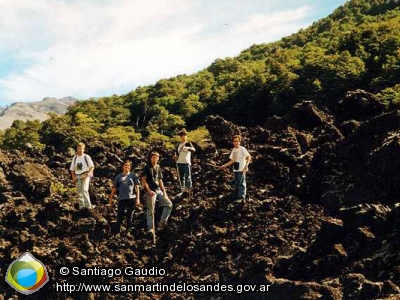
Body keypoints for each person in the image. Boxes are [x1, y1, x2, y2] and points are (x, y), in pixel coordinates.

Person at [141, 151, 173, 237]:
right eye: (153, 157)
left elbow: (160, 180)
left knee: (169, 204)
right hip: (151, 191)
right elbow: (143, 179)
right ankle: (150, 229)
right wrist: (148, 190)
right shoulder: (147, 167)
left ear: (158, 158)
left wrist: (164, 192)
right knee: (150, 210)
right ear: (150, 158)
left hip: (158, 190)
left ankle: (161, 224)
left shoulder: (158, 167)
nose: (155, 159)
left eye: (156, 157)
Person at [109, 160, 141, 234]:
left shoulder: (133, 176)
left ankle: (128, 231)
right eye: (125, 165)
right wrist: (110, 199)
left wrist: (138, 199)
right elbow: (114, 188)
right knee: (120, 214)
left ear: (130, 167)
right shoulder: (119, 176)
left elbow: (137, 188)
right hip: (122, 198)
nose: (127, 167)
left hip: (131, 198)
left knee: (130, 215)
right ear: (123, 166)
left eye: (128, 165)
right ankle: (118, 231)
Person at [219, 135, 251, 201]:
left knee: (241, 183)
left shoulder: (242, 149)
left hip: (242, 168)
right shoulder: (234, 149)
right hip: (236, 168)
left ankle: (241, 197)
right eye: (235, 141)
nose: (236, 142)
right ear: (233, 142)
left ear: (239, 142)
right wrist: (224, 165)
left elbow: (249, 157)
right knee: (237, 183)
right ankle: (236, 195)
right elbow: (232, 160)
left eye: (237, 141)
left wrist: (246, 165)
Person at [69, 142, 95, 209]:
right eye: (78, 148)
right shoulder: (75, 158)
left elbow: (92, 167)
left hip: (85, 174)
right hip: (77, 175)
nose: (79, 150)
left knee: (84, 189)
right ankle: (81, 207)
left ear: (84, 149)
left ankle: (88, 206)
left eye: (81, 148)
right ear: (76, 149)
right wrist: (73, 177)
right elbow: (72, 169)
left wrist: (86, 175)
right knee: (79, 192)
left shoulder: (86, 157)